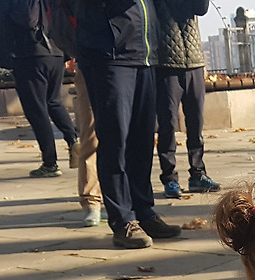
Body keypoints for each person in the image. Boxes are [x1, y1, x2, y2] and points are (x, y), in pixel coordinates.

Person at [75, 0, 181, 248]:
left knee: (142, 141)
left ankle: (144, 212)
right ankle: (122, 220)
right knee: (115, 141)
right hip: (109, 53)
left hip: (143, 54)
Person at [0, 0, 78, 178]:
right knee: (53, 102)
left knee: (36, 109)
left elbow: (27, 19)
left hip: (31, 54)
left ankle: (50, 162)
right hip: (56, 53)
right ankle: (73, 140)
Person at [153, 0, 218, 199]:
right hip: (166, 64)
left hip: (194, 61)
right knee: (168, 124)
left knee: (196, 122)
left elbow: (201, 8)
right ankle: (169, 178)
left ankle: (198, 173)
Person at [49, 0, 104, 226]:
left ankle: (126, 198)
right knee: (90, 135)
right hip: (90, 59)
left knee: (127, 135)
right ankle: (92, 199)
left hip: (130, 58)